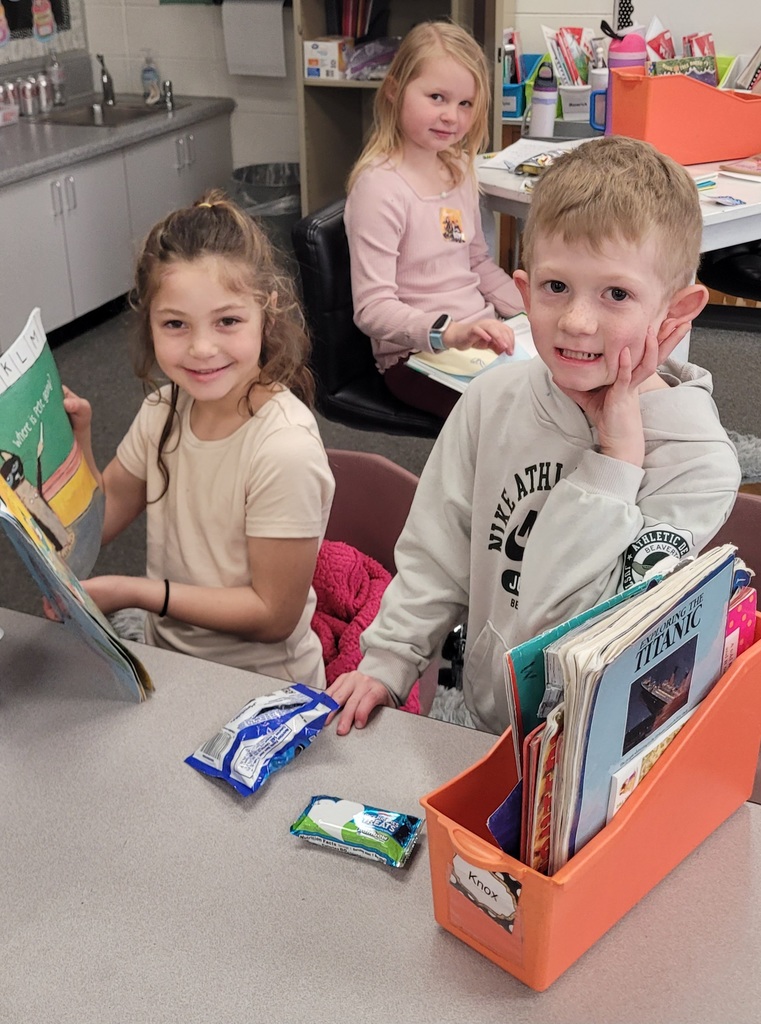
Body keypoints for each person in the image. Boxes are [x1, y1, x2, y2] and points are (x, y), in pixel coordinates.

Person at [328, 135, 742, 734]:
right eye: (556, 287)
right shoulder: (492, 399)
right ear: (523, 293)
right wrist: (390, 658)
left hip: (598, 746)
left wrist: (616, 461)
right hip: (487, 720)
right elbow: (439, 548)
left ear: (676, 312)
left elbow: (578, 631)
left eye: (617, 294)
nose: (576, 321)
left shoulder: (697, 465)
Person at [62, 190, 335, 688]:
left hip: (262, 688)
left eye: (227, 321)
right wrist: (76, 446)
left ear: (268, 311)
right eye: (175, 324)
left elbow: (273, 615)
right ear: (149, 322)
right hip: (169, 666)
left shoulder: (284, 449)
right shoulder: (162, 410)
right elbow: (94, 527)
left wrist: (136, 593)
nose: (202, 348)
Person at [344, 21, 524, 419]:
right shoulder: (380, 188)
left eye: (465, 104)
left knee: (563, 387)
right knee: (522, 415)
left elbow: (478, 264)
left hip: (478, 340)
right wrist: (449, 332)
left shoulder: (459, 169)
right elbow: (372, 309)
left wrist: (535, 309)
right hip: (416, 358)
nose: (451, 117)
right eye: (437, 97)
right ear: (394, 90)